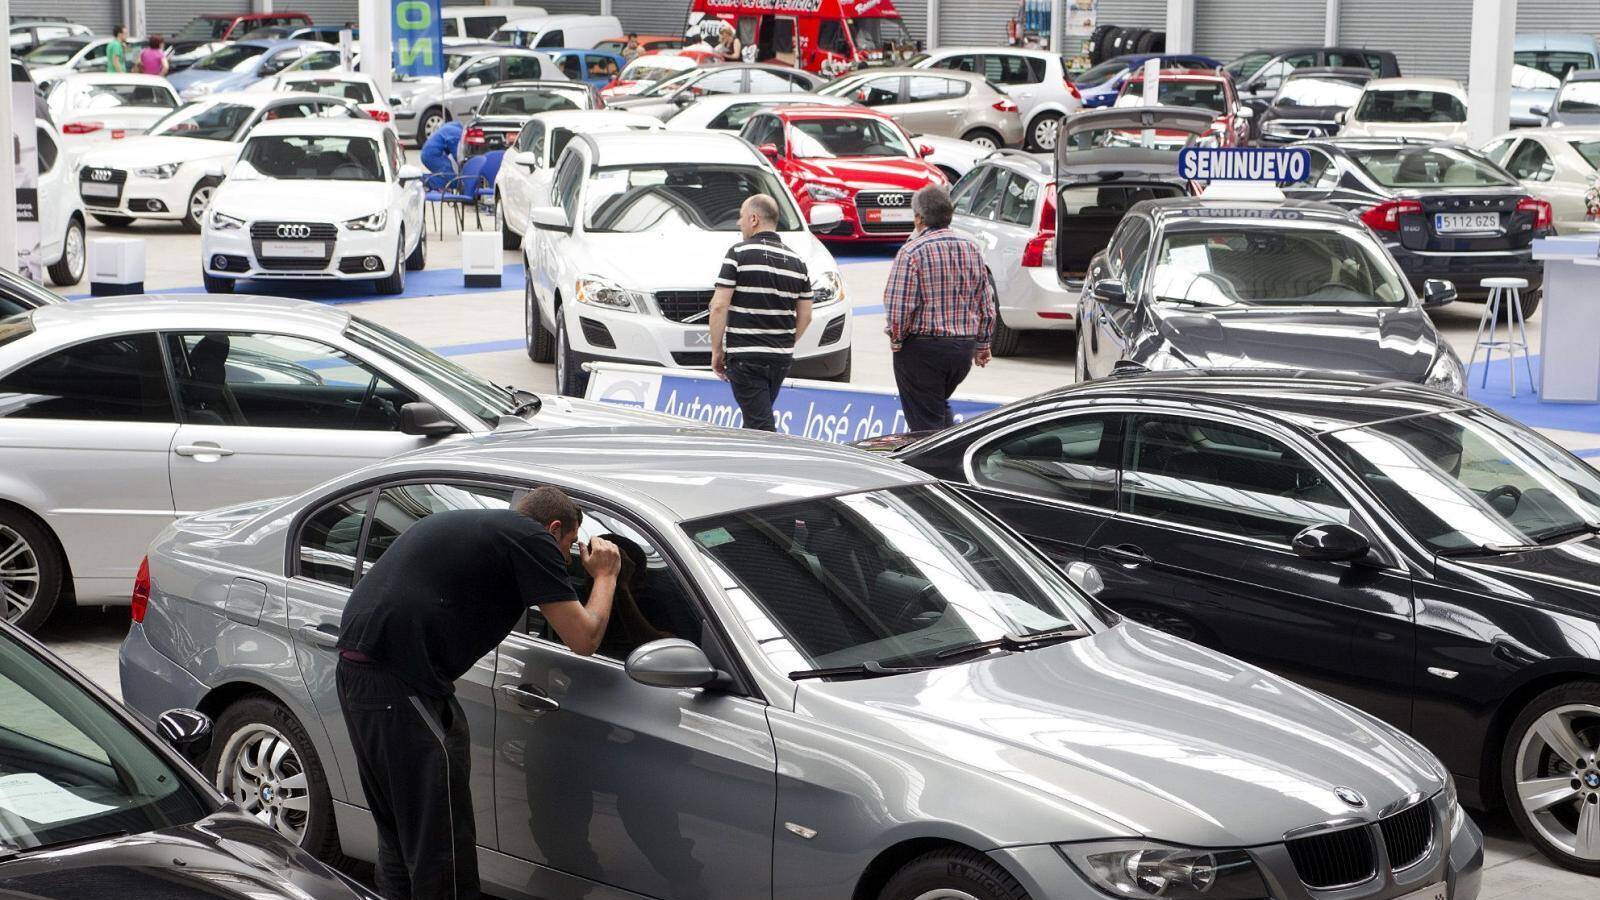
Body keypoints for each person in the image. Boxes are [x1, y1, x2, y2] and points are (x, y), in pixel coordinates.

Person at [334, 486, 621, 900]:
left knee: (402, 833)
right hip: (400, 682)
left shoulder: (480, 526)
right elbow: (583, 637)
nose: (565, 563)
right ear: (555, 527)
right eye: (568, 550)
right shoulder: (531, 536)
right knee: (441, 845)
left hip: (365, 676)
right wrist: (607, 576)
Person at [883, 184, 996, 433]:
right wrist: (982, 343)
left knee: (924, 425)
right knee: (935, 407)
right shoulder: (972, 248)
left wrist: (897, 339)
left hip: (924, 349)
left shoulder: (912, 251)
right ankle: (950, 450)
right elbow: (986, 302)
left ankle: (933, 466)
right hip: (961, 350)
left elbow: (899, 306)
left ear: (919, 218)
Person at [710, 194, 813, 432]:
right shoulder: (798, 262)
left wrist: (717, 350)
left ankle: (769, 465)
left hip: (746, 356)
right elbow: (806, 316)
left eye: (741, 216)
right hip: (780, 358)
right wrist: (783, 341)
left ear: (754, 219)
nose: (739, 223)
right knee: (756, 418)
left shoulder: (738, 254)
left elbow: (718, 306)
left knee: (760, 427)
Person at [420, 119, 464, 187]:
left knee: (444, 175)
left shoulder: (455, 126)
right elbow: (457, 156)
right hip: (433, 154)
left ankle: (426, 181)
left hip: (428, 152)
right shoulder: (457, 134)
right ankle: (423, 180)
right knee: (452, 179)